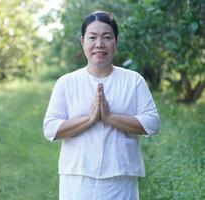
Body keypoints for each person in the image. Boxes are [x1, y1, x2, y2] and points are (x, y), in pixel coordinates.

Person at [43, 10, 160, 200]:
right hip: (77, 175)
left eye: (107, 37)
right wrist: (90, 118)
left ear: (116, 41)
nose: (99, 44)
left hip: (121, 175)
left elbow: (152, 124)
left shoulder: (133, 80)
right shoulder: (67, 82)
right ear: (83, 42)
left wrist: (109, 118)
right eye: (92, 37)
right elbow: (50, 129)